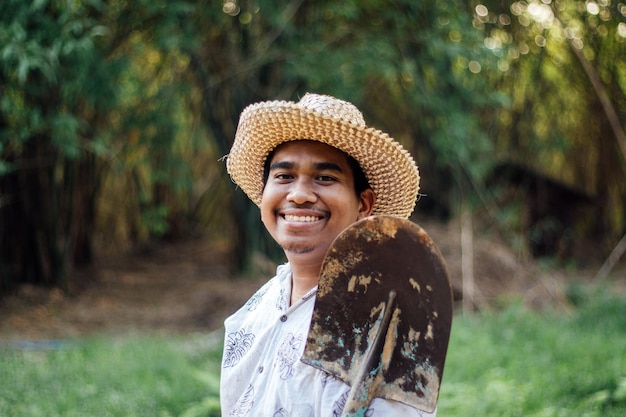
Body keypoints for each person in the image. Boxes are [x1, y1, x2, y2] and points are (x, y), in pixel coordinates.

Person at [221, 93, 431, 416]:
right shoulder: (250, 316)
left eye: (325, 178)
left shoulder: (386, 328)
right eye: (284, 176)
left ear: (364, 205)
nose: (300, 194)